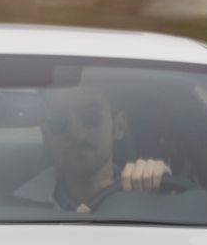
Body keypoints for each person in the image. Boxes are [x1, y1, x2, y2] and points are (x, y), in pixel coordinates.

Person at [11, 81, 173, 213]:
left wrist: (164, 194)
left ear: (118, 126)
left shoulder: (151, 193)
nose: (76, 133)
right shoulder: (12, 209)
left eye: (90, 116)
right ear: (46, 135)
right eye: (58, 122)